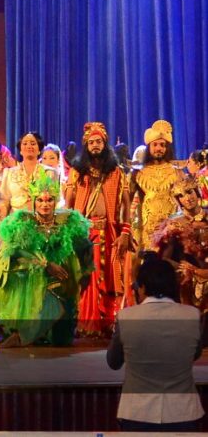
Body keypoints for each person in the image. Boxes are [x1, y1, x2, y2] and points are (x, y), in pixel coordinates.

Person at [0, 173, 92, 346]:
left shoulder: (67, 221)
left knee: (62, 341)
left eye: (49, 200)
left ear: (55, 201)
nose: (45, 205)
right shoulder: (22, 222)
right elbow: (12, 252)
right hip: (31, 280)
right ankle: (21, 335)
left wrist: (79, 273)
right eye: (40, 200)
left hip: (61, 282)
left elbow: (85, 248)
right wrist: (45, 264)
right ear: (34, 202)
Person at [107, 256, 204, 432]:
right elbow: (194, 354)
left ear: (143, 287)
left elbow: (113, 362)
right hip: (183, 410)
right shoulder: (192, 315)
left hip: (137, 411)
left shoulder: (126, 316)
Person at [65, 122, 131, 335]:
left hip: (110, 232)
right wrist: (70, 231)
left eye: (99, 142)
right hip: (84, 232)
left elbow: (126, 205)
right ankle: (86, 323)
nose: (95, 145)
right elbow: (69, 204)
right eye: (91, 142)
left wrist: (125, 232)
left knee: (111, 277)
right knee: (87, 277)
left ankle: (108, 322)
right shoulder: (77, 172)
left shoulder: (116, 172)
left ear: (105, 144)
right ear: (86, 146)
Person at [153, 177, 208, 310]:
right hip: (187, 280)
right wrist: (187, 269)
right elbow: (164, 258)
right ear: (177, 200)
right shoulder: (174, 224)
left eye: (189, 192)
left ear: (197, 191)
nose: (187, 198)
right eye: (181, 196)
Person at [131, 120, 183, 250]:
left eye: (162, 145)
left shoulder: (176, 172)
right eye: (155, 145)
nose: (159, 148)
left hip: (171, 229)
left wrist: (174, 222)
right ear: (149, 147)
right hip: (147, 229)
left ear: (167, 148)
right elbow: (128, 204)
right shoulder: (138, 173)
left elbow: (184, 204)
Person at [0, 131, 59, 214]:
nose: (29, 146)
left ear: (39, 150)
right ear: (20, 150)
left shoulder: (50, 172)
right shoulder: (9, 173)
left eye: (33, 143)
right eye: (25, 143)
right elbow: (4, 200)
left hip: (42, 218)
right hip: (15, 219)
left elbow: (57, 200)